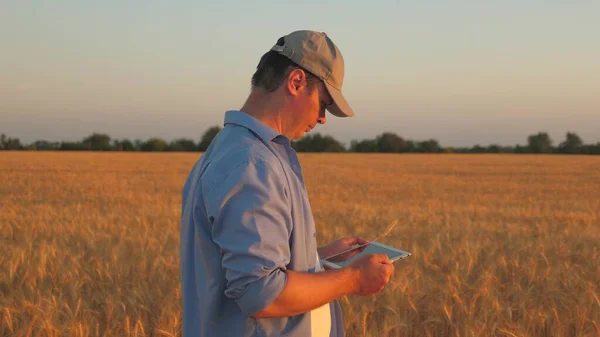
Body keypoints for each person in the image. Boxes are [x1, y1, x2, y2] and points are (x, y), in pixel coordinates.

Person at [180, 30, 394, 337]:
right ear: (295, 82)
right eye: (324, 102)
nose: (323, 118)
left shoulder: (238, 150)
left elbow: (248, 269)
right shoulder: (251, 163)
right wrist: (353, 279)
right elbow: (260, 291)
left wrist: (318, 260)